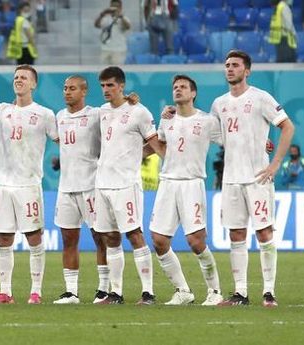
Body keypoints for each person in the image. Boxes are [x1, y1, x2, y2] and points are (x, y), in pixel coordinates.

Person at [0, 64, 58, 304]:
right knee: (4, 238)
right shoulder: (1, 110)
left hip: (29, 184)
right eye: (16, 77)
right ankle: (5, 292)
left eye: (24, 77)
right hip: (4, 184)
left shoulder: (45, 114)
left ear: (34, 84)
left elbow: (63, 140)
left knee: (34, 237)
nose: (19, 80)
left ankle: (36, 292)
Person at [211, 50, 295, 307]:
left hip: (258, 177)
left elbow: (288, 126)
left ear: (247, 70)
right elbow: (217, 134)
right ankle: (241, 293)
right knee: (236, 234)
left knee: (264, 231)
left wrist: (275, 164)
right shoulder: (219, 103)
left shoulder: (260, 98)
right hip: (231, 179)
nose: (230, 69)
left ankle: (269, 292)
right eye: (227, 65)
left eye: (235, 65)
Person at [149, 75, 224, 306]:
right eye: (175, 87)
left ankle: (215, 292)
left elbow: (231, 140)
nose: (178, 89)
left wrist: (260, 144)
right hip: (167, 183)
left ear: (193, 93)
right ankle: (183, 290)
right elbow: (161, 145)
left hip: (192, 183)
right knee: (159, 240)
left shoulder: (207, 121)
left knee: (195, 241)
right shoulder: (166, 120)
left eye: (183, 87)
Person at [94, 66, 165, 305]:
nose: (106, 89)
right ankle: (116, 293)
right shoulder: (102, 112)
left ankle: (148, 293)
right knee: (111, 238)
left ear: (121, 86)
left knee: (134, 235)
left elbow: (154, 144)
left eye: (110, 85)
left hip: (126, 184)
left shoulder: (139, 112)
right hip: (102, 184)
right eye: (103, 85)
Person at [51, 75, 110, 305]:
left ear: (83, 91)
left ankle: (103, 289)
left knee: (100, 238)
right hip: (66, 187)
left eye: (72, 88)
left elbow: (117, 112)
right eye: (65, 88)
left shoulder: (95, 114)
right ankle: (71, 292)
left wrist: (130, 100)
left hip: (91, 186)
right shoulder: (60, 116)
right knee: (68, 239)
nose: (67, 92)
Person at [94, 0, 131, 65]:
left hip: (119, 50)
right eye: (113, 6)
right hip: (105, 49)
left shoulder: (124, 18)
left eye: (117, 6)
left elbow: (127, 27)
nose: (115, 8)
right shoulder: (105, 18)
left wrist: (120, 17)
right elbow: (96, 25)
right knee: (104, 71)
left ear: (120, 7)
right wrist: (102, 14)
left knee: (117, 71)